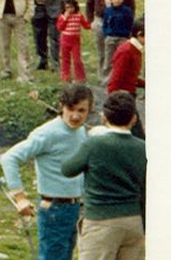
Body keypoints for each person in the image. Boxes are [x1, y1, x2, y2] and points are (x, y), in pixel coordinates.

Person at [1, 83, 92, 260]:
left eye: (82, 111)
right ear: (61, 106)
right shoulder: (47, 133)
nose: (75, 116)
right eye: (70, 109)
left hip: (75, 208)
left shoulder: (81, 130)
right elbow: (9, 158)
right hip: (54, 210)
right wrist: (20, 197)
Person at [61, 90, 146, 260]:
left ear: (104, 117)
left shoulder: (94, 144)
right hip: (134, 220)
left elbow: (68, 169)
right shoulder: (143, 147)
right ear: (134, 119)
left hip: (101, 220)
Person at [84, 0, 136, 81]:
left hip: (119, 19)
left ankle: (119, 77)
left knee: (120, 50)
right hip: (101, 18)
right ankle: (104, 78)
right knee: (102, 49)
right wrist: (90, 20)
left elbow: (131, 0)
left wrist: (129, 19)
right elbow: (89, 2)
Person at [106, 17, 145, 139]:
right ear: (139, 34)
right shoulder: (127, 51)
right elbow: (115, 79)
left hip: (129, 95)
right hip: (123, 98)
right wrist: (113, 103)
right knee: (137, 134)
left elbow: (130, 76)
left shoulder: (136, 49)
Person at [56, 0, 90, 83]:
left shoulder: (79, 16)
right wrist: (65, 19)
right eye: (67, 8)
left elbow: (86, 25)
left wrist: (91, 24)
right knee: (65, 59)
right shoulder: (62, 17)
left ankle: (81, 77)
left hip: (75, 42)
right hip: (65, 41)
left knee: (77, 60)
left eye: (71, 7)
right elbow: (60, 27)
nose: (69, 10)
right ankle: (66, 76)